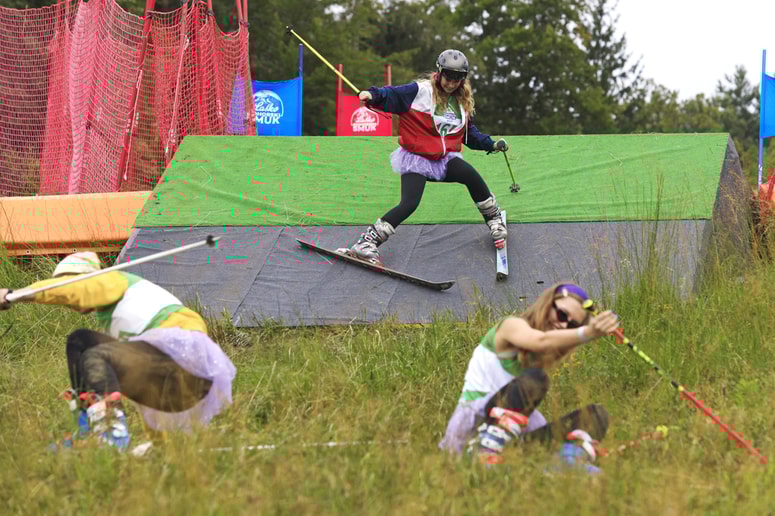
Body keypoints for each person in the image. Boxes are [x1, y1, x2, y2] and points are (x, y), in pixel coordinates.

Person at [0, 252, 236, 451]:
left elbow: (75, 289)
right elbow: (142, 388)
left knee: (92, 350)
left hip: (187, 364)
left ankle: (110, 430)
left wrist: (15, 294)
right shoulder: (118, 326)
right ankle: (91, 430)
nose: (67, 300)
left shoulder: (114, 280)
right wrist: (161, 448)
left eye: (65, 289)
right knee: (82, 344)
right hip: (172, 388)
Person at [337, 49, 510, 265]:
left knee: (469, 174)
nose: (452, 82)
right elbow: (392, 94)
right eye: (448, 76)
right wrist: (372, 95)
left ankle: (494, 220)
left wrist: (491, 144)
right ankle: (366, 243)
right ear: (439, 72)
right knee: (409, 203)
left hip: (443, 159)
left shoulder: (461, 102)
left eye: (458, 78)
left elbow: (469, 135)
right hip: (416, 157)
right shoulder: (421, 91)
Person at [439, 282, 619, 472]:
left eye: (572, 324)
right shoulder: (511, 325)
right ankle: (483, 452)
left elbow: (546, 344)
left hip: (513, 435)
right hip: (475, 425)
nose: (563, 324)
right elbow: (539, 341)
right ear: (547, 304)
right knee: (535, 380)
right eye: (562, 314)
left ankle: (566, 462)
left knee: (596, 415)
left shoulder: (541, 357)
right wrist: (588, 332)